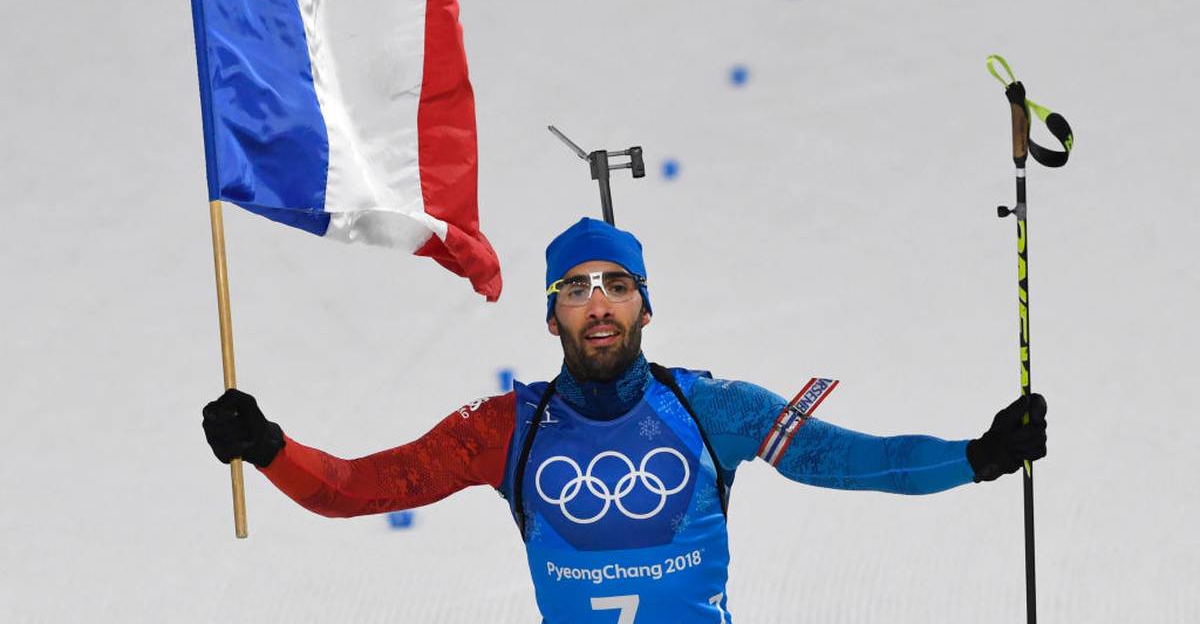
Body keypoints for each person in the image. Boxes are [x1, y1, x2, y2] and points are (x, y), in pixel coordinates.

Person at [203, 217, 1048, 623]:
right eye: (575, 286)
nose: (597, 302)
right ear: (550, 317)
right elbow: (357, 487)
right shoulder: (507, 428)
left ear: (647, 306)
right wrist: (270, 448)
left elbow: (855, 460)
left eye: (616, 284)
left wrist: (976, 456)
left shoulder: (709, 408)